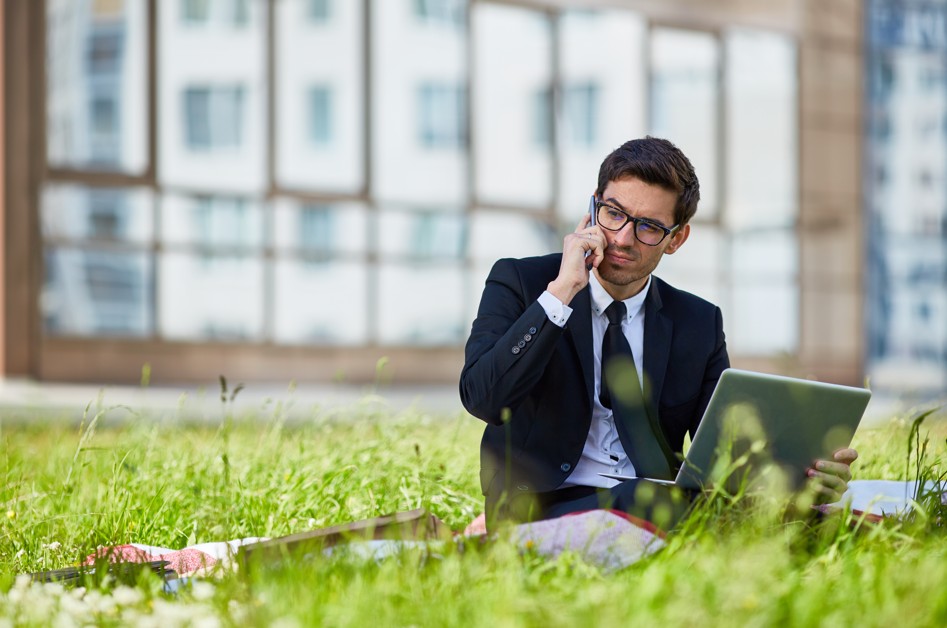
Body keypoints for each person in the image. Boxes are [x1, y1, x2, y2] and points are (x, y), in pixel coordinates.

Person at [459, 137, 857, 530]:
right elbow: (484, 398)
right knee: (641, 499)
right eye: (613, 213)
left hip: (660, 500)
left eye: (648, 226)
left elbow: (722, 453)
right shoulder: (522, 282)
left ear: (676, 239)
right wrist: (562, 292)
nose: (622, 238)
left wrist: (803, 479)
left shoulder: (698, 322)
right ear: (593, 206)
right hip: (539, 504)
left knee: (790, 515)